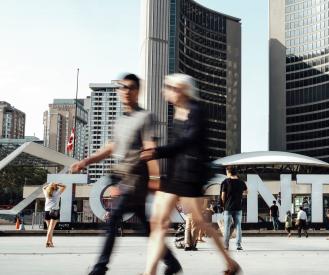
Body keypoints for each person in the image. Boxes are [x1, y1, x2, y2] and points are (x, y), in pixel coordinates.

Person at [71, 73, 180, 275]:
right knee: (145, 227)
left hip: (137, 178)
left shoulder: (145, 117)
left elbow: (150, 148)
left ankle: (100, 267)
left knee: (113, 219)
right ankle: (172, 263)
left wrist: (155, 179)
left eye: (130, 87)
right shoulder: (120, 121)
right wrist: (87, 161)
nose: (126, 91)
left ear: (138, 91)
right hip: (122, 177)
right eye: (122, 87)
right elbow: (111, 147)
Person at [140, 74, 240, 275]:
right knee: (157, 222)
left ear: (182, 89)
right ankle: (149, 272)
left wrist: (157, 151)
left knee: (200, 223)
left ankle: (231, 263)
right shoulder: (178, 112)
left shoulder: (196, 110)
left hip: (190, 177)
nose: (165, 91)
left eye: (170, 87)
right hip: (174, 176)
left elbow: (187, 141)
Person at [220, 166, 247, 250]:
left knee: (227, 227)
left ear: (228, 172)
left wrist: (224, 205)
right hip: (238, 207)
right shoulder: (241, 182)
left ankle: (226, 245)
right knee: (238, 226)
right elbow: (246, 192)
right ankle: (238, 245)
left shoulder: (225, 182)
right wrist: (239, 196)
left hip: (228, 207)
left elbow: (223, 196)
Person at [43, 182, 66, 247]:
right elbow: (64, 186)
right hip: (54, 211)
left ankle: (51, 242)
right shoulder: (57, 192)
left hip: (47, 211)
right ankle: (47, 242)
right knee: (51, 228)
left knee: (49, 228)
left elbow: (43, 188)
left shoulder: (46, 193)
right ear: (55, 187)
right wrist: (58, 184)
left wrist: (50, 184)